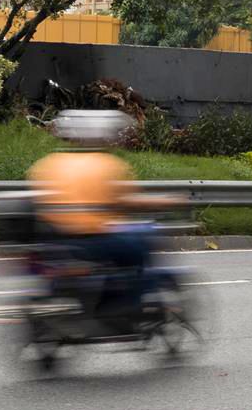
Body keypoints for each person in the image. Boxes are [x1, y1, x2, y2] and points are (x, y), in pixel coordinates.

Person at [27, 110, 178, 314]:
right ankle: (127, 304)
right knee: (142, 241)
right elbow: (126, 201)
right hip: (94, 240)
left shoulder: (48, 164)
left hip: (57, 241)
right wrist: (164, 202)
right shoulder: (106, 164)